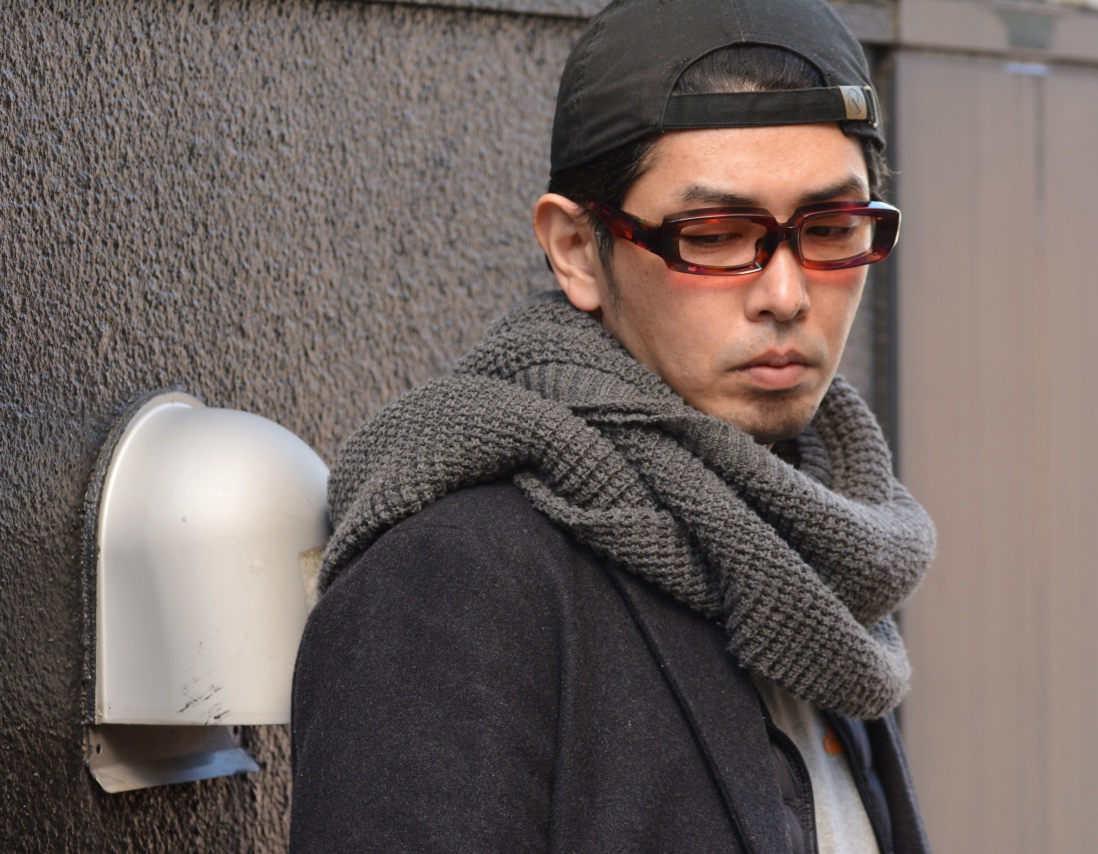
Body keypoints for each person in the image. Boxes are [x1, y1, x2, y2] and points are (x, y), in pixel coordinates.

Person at [290, 0, 937, 851]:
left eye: (829, 229)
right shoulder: (456, 580)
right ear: (575, 250)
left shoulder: (823, 551)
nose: (786, 294)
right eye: (713, 235)